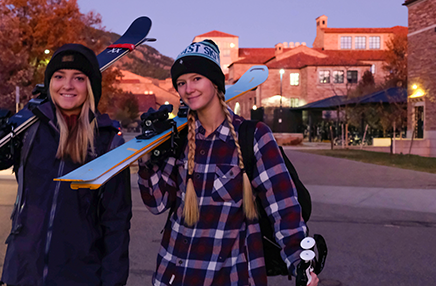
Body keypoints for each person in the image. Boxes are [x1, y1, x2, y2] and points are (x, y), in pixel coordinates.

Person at [0, 44, 132, 286]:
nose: (67, 85)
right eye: (59, 77)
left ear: (90, 86)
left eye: (78, 78)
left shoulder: (108, 143)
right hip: (23, 274)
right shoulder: (29, 130)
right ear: (50, 83)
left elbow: (116, 226)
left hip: (80, 278)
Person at [137, 40, 319, 286]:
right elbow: (157, 203)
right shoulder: (180, 139)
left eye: (196, 79)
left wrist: (300, 263)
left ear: (214, 81)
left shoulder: (253, 136)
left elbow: (284, 208)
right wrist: (149, 155)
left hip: (229, 276)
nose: (188, 88)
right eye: (181, 83)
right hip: (173, 275)